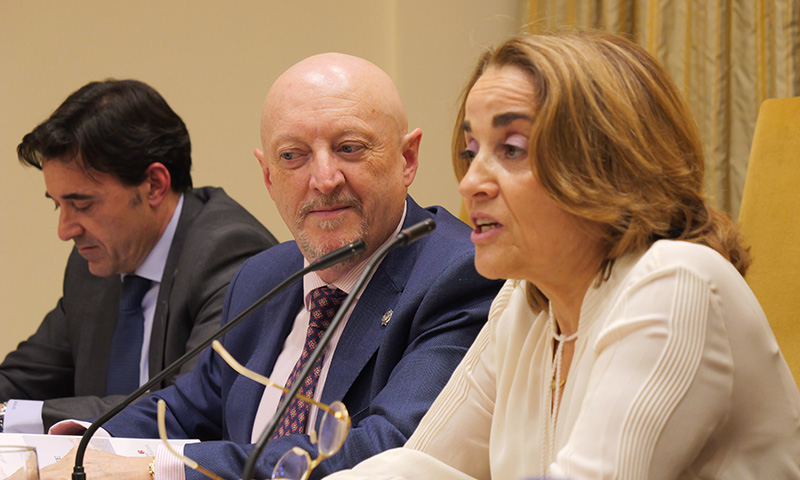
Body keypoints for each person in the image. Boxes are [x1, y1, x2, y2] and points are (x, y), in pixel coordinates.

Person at [324, 31, 800, 480]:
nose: (470, 183)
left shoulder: (677, 284)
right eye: (471, 151)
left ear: (607, 163)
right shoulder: (525, 303)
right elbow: (416, 465)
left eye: (512, 150)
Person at [40, 54, 501, 480]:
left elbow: (384, 451)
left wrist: (158, 470)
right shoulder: (264, 276)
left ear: (407, 159)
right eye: (292, 156)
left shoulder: (459, 273)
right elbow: (182, 410)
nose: (323, 179)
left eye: (349, 148)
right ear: (268, 177)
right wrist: (84, 446)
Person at [0, 79, 278, 434]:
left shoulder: (229, 253)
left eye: (81, 205)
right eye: (58, 205)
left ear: (154, 185)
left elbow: (185, 411)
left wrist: (10, 416)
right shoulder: (94, 263)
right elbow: (25, 377)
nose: (65, 230)